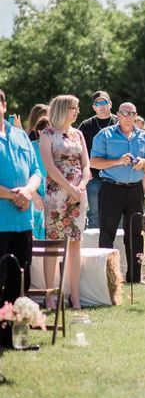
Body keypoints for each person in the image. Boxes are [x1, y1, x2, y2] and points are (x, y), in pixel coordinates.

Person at [90, 102, 145, 284]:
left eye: (131, 113)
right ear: (117, 115)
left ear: (136, 116)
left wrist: (143, 162)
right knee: (107, 233)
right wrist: (118, 161)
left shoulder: (144, 137)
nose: (127, 116)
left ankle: (135, 277)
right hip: (112, 188)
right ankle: (106, 278)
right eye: (124, 113)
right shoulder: (105, 135)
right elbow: (94, 162)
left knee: (135, 233)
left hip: (135, 189)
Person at [0, 88, 42, 347]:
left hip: (22, 222)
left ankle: (13, 337)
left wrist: (28, 190)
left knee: (19, 282)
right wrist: (10, 194)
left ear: (3, 104)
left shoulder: (19, 136)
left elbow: (36, 170)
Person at [40, 95, 90, 310]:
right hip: (57, 195)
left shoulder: (78, 134)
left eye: (77, 108)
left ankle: (75, 295)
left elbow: (86, 165)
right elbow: (50, 167)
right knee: (53, 243)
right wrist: (69, 188)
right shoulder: (47, 134)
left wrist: (80, 187)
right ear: (62, 109)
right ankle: (49, 295)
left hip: (79, 195)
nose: (77, 111)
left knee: (76, 243)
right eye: (73, 108)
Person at [78, 91, 118, 229]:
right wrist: (85, 171)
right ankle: (96, 248)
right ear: (94, 107)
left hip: (117, 177)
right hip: (93, 177)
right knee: (94, 214)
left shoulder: (119, 122)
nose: (102, 106)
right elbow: (79, 151)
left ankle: (118, 248)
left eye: (104, 102)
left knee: (117, 214)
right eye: (98, 103)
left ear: (110, 104)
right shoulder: (86, 125)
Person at [30, 116, 50, 240]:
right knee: (34, 232)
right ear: (39, 131)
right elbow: (24, 172)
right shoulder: (31, 147)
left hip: (52, 194)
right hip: (35, 194)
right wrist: (34, 194)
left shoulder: (56, 147)